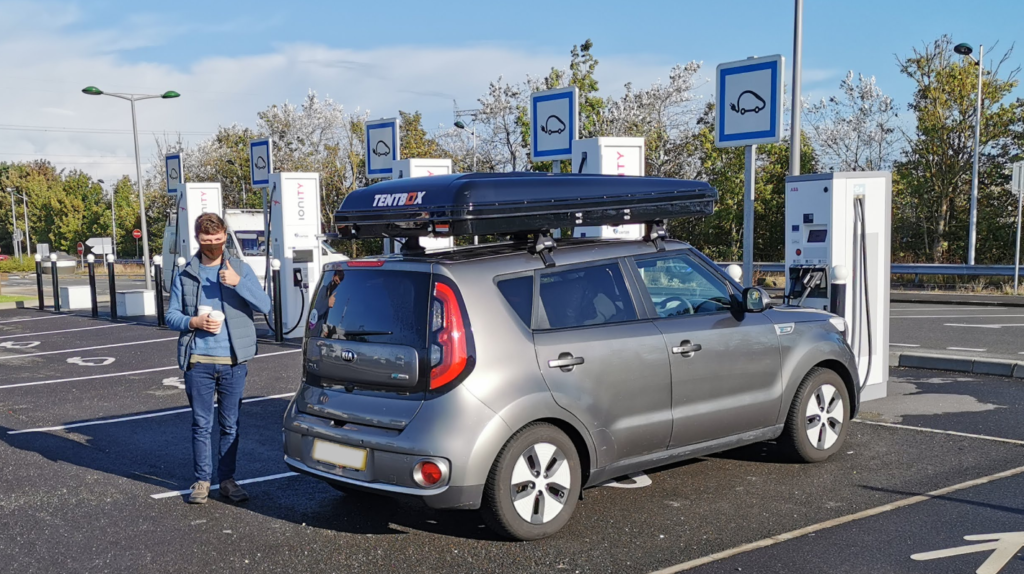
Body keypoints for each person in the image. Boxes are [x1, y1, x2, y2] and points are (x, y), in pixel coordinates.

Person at [165, 213, 272, 504]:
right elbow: (171, 314)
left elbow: (265, 306)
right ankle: (202, 480)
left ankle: (227, 480)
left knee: (231, 425)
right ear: (197, 239)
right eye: (206, 240)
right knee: (201, 424)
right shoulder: (186, 272)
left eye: (217, 239)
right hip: (198, 361)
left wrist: (239, 283)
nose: (212, 244)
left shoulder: (240, 268)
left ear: (225, 235)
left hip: (233, 363)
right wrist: (194, 322)